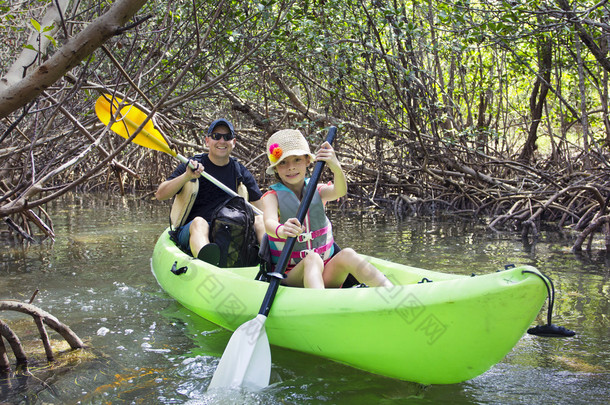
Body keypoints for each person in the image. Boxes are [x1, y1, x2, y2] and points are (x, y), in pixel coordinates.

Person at [261, 129, 393, 289]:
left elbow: (340, 191)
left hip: (325, 271)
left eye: (297, 160)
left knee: (348, 254)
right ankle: (320, 307)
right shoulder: (271, 196)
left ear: (307, 161)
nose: (291, 167)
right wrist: (282, 230)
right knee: (312, 258)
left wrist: (335, 167)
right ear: (275, 168)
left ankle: (391, 292)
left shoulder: (317, 190)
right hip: (291, 275)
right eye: (283, 162)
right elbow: (269, 223)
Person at [155, 118, 264, 265]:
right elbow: (160, 195)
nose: (221, 141)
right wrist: (186, 176)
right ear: (207, 141)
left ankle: (272, 262)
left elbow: (263, 209)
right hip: (194, 230)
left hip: (229, 229)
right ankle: (207, 265)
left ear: (234, 142)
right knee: (199, 223)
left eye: (227, 137)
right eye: (216, 136)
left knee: (260, 220)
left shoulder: (240, 172)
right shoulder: (192, 165)